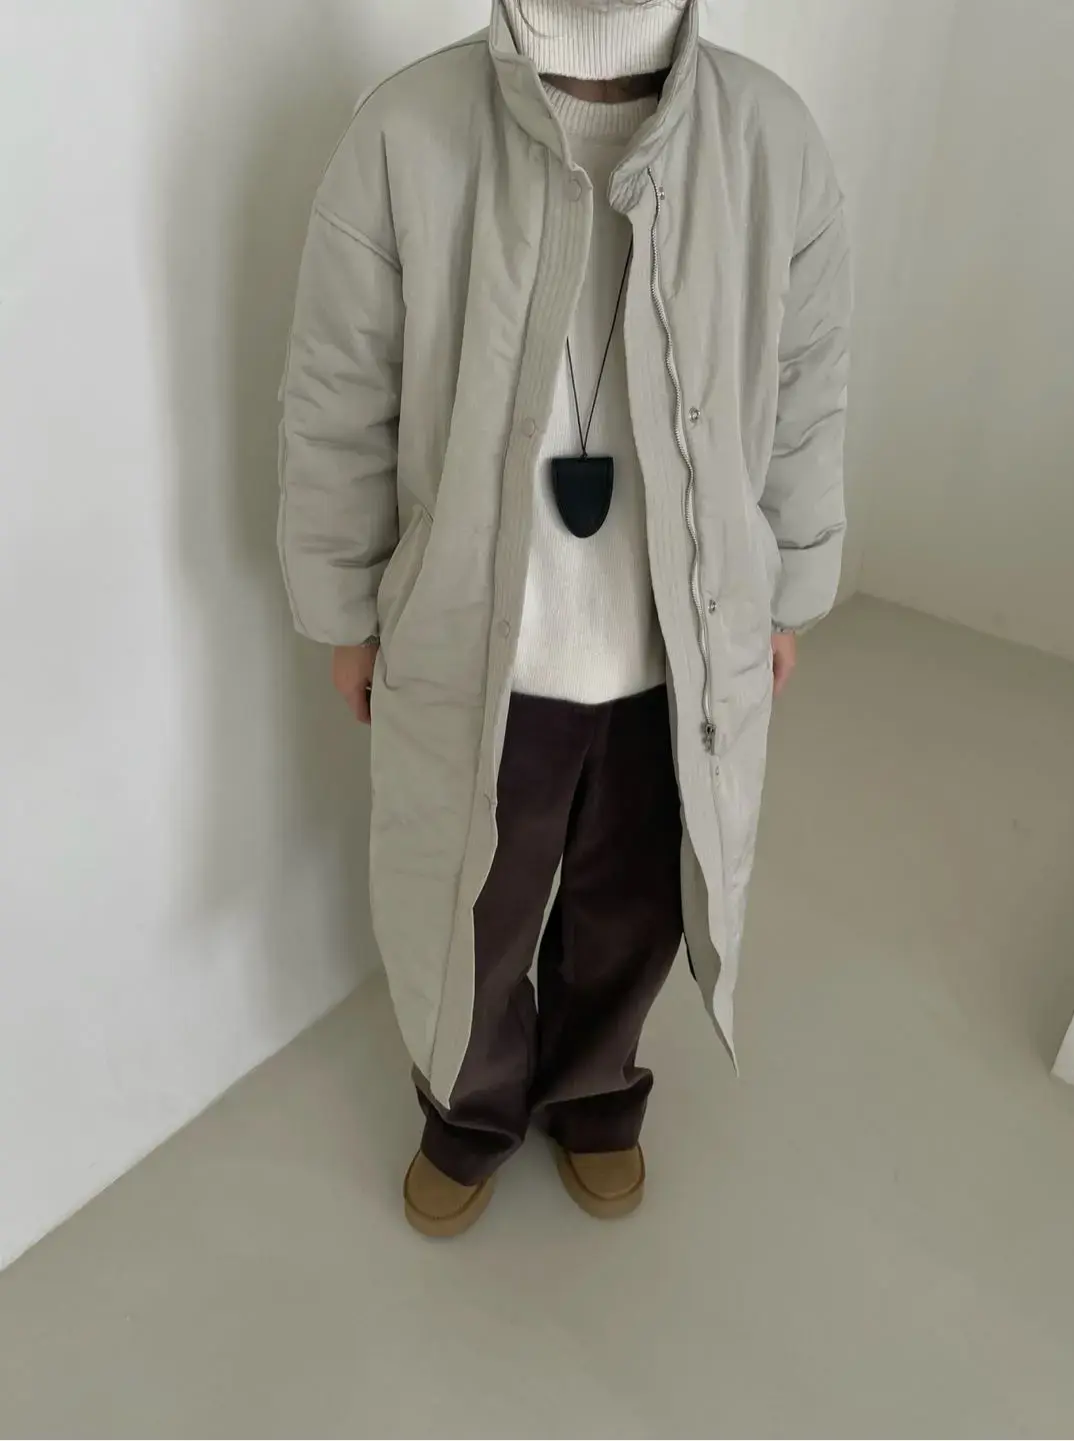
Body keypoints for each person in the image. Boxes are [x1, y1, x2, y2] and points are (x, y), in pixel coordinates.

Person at [278, 0, 851, 1237]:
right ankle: (469, 1112)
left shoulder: (772, 141)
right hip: (482, 644)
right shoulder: (407, 133)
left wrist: (788, 586)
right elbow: (339, 394)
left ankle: (596, 1093)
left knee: (633, 906)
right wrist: (346, 608)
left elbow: (806, 392)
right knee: (471, 913)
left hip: (673, 653)